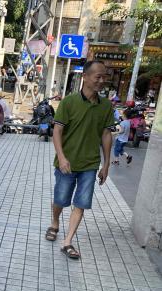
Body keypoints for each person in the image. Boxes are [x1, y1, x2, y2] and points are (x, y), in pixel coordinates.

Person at [45, 60, 114, 260]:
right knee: (61, 199)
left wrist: (106, 164)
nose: (101, 81)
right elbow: (57, 131)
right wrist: (62, 157)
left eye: (104, 77)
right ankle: (55, 222)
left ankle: (67, 242)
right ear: (85, 77)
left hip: (90, 165)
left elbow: (106, 135)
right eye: (97, 77)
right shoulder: (69, 102)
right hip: (67, 162)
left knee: (81, 203)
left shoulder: (106, 106)